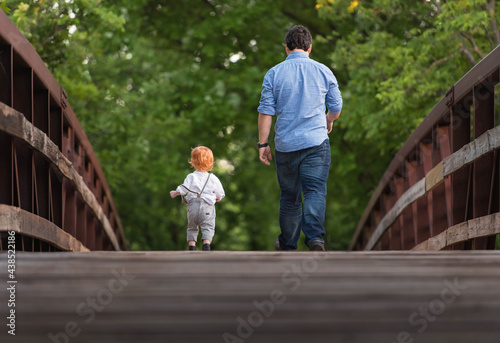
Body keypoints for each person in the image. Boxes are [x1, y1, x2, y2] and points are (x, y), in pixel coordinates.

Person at [257, 25, 342, 251]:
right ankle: (315, 238)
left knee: (290, 197)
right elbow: (336, 106)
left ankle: (287, 245)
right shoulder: (323, 71)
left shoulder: (274, 73)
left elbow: (266, 111)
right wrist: (329, 120)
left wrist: (263, 143)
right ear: (310, 48)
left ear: (286, 48)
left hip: (286, 146)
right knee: (314, 190)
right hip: (316, 143)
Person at [170, 146, 225, 251]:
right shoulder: (213, 178)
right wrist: (218, 198)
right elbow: (220, 193)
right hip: (207, 206)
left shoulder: (191, 176)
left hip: (193, 206)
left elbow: (183, 189)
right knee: (208, 226)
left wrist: (175, 193)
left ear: (193, 161)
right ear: (210, 162)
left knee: (192, 226)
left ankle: (192, 246)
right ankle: (206, 245)